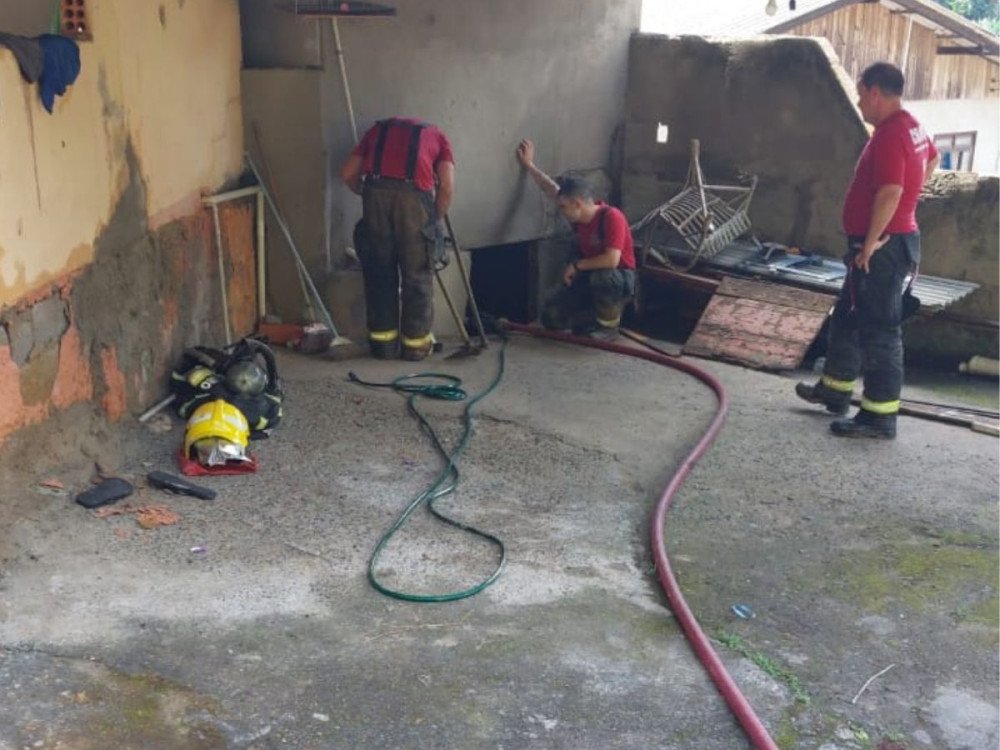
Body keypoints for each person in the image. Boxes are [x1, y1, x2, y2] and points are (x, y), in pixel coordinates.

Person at [796, 62, 939, 439]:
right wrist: (908, 204)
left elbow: (890, 191)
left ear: (875, 92)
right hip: (888, 239)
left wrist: (873, 240)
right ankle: (835, 390)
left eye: (861, 95)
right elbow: (933, 160)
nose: (859, 103)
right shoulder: (911, 125)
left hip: (883, 247)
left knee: (880, 329)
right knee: (847, 314)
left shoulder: (893, 134)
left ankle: (878, 415)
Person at [341, 117, 455, 361]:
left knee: (380, 274)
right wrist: (434, 219)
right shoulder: (438, 137)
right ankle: (415, 346)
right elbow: (447, 186)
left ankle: (383, 347)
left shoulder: (376, 130)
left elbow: (348, 173)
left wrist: (367, 194)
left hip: (375, 198)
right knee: (417, 277)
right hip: (415, 203)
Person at [515, 139, 636, 339]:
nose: (560, 210)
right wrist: (529, 166)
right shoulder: (578, 216)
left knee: (603, 276)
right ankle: (588, 320)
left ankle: (608, 328)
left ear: (578, 203)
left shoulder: (611, 217)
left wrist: (576, 266)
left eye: (563, 207)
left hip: (617, 279)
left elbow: (611, 260)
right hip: (588, 277)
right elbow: (551, 188)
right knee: (550, 317)